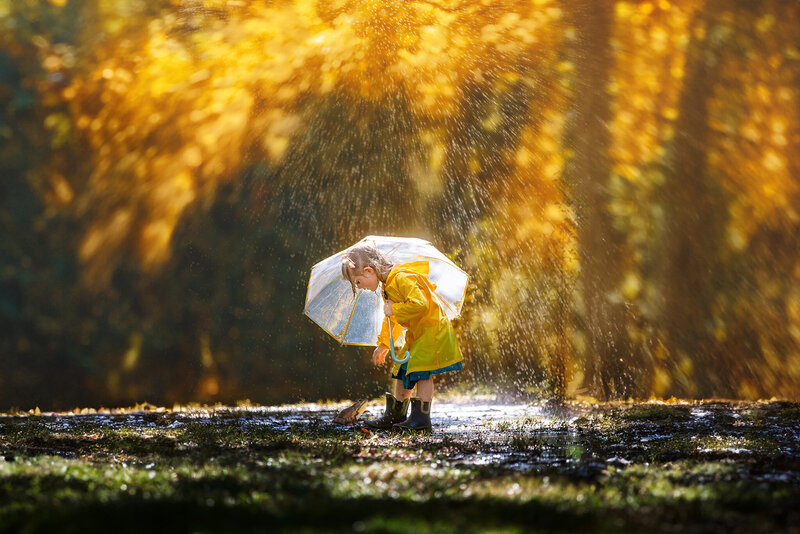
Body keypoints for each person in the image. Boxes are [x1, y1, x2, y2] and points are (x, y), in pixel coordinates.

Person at [341, 244, 463, 432]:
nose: (360, 288)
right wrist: (383, 344)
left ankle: (422, 420)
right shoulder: (387, 286)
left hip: (432, 331)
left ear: (368, 271)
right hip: (417, 334)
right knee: (402, 370)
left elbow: (420, 305)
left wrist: (394, 309)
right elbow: (393, 320)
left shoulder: (401, 278)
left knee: (421, 372)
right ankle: (396, 414)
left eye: (358, 282)